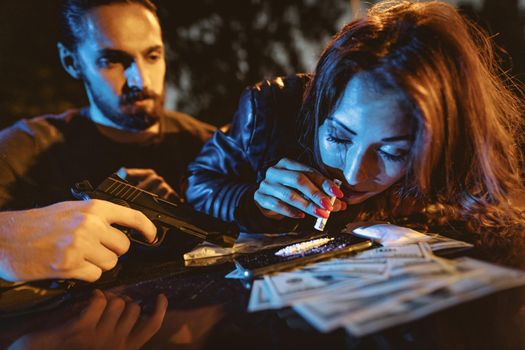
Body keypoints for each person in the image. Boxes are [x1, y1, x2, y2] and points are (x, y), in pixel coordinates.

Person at [186, 0, 525, 261]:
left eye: (393, 152)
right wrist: (255, 205)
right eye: (338, 137)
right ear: (320, 103)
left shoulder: (456, 171)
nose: (352, 172)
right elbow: (200, 183)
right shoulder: (270, 109)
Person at [0, 0, 214, 282]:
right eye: (112, 60)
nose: (140, 81)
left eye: (152, 56)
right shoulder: (25, 147)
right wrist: (7, 239)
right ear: (71, 61)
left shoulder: (211, 144)